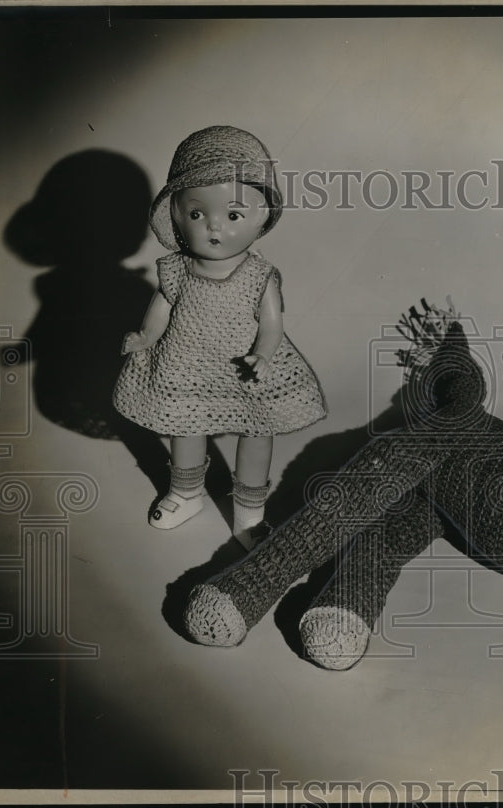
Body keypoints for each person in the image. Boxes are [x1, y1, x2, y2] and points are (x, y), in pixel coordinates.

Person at [113, 125, 326, 549]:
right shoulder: (176, 270)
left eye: (233, 216)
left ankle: (249, 514)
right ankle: (186, 492)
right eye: (197, 214)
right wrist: (145, 336)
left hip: (245, 366)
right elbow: (162, 308)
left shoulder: (259, 275)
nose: (214, 228)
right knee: (185, 425)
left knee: (257, 429)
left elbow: (271, 325)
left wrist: (263, 355)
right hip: (187, 362)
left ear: (261, 217)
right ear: (177, 216)